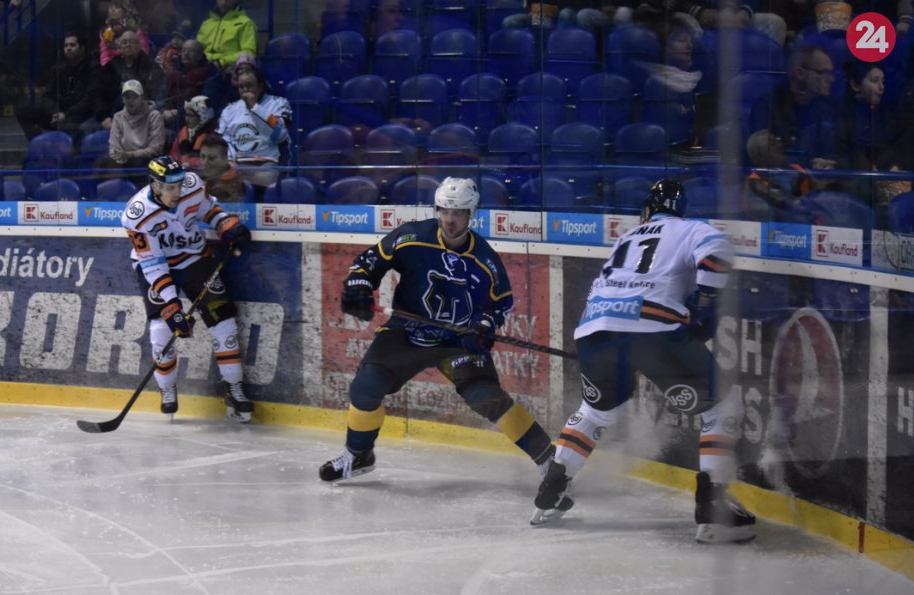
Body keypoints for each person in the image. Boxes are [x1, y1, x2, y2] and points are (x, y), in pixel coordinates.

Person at [532, 179, 755, 544]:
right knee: (722, 405)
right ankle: (713, 508)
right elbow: (718, 253)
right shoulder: (690, 229)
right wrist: (704, 303)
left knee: (595, 412)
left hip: (594, 330)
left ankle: (551, 490)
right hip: (652, 328)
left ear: (648, 210)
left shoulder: (626, 237)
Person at [319, 177, 557, 483]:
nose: (450, 219)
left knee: (486, 397)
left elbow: (500, 305)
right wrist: (359, 285)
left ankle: (550, 460)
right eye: (444, 211)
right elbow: (368, 263)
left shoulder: (485, 260)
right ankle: (358, 455)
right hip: (406, 332)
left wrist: (484, 326)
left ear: (471, 214)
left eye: (458, 213)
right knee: (366, 385)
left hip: (457, 340)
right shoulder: (411, 237)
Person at [121, 155, 255, 421]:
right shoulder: (137, 215)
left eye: (179, 185)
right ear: (155, 185)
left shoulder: (192, 185)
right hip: (157, 268)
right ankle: (167, 389)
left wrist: (226, 225)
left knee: (223, 322)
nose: (177, 192)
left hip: (194, 259)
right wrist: (172, 305)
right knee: (162, 329)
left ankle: (233, 387)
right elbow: (153, 264)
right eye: (170, 188)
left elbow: (210, 210)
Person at [748, 44, 838, 170]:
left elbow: (841, 151)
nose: (831, 79)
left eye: (831, 73)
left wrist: (833, 163)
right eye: (823, 73)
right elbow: (762, 153)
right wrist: (807, 166)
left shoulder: (831, 107)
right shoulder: (768, 105)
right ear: (800, 73)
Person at [217, 65, 292, 189]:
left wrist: (255, 107)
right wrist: (230, 160)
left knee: (265, 179)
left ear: (260, 86)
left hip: (267, 164)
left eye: (249, 85)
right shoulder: (230, 110)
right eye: (241, 87)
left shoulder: (278, 104)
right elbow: (225, 140)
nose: (245, 90)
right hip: (238, 165)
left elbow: (279, 134)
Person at [15, 31, 98, 141]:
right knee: (24, 112)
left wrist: (66, 114)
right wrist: (56, 112)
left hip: (80, 113)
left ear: (82, 48)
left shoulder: (93, 69)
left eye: (72, 45)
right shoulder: (59, 70)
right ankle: (39, 145)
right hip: (59, 112)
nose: (68, 48)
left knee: (70, 123)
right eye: (66, 45)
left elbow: (89, 99)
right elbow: (47, 95)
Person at [95, 79, 165, 171]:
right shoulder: (118, 117)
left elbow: (156, 149)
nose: (130, 101)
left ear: (142, 97)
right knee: (101, 163)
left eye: (134, 97)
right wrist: (118, 156)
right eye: (127, 97)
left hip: (146, 160)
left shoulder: (154, 116)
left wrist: (130, 155)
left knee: (138, 163)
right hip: (124, 159)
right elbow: (114, 145)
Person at [195, 0, 256, 69]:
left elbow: (248, 53)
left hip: (230, 67)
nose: (224, 2)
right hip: (203, 66)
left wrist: (221, 62)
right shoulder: (206, 24)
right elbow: (197, 49)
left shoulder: (245, 23)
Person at [170, 94, 217, 169]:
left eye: (191, 116)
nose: (186, 119)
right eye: (186, 115)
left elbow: (211, 161)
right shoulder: (183, 132)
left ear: (203, 117)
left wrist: (191, 164)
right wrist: (177, 163)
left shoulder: (212, 137)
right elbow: (173, 153)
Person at [99, 0, 150, 66]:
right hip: (112, 67)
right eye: (111, 7)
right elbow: (104, 54)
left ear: (125, 10)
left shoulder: (135, 30)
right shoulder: (106, 31)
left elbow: (143, 52)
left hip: (133, 66)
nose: (113, 10)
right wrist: (106, 67)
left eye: (117, 7)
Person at [199, 134, 247, 202]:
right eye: (203, 156)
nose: (205, 162)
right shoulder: (201, 177)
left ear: (225, 158)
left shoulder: (234, 185)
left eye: (211, 158)